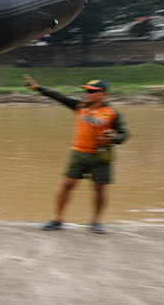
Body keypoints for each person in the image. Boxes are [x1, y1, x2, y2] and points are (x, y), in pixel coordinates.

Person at [23, 75, 128, 234]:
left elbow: (124, 134)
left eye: (92, 91)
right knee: (67, 185)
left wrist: (113, 138)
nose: (88, 94)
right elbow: (60, 97)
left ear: (103, 94)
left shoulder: (112, 113)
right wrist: (38, 88)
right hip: (78, 153)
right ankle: (58, 219)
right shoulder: (80, 106)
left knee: (99, 190)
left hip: (100, 156)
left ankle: (96, 221)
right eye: (87, 91)